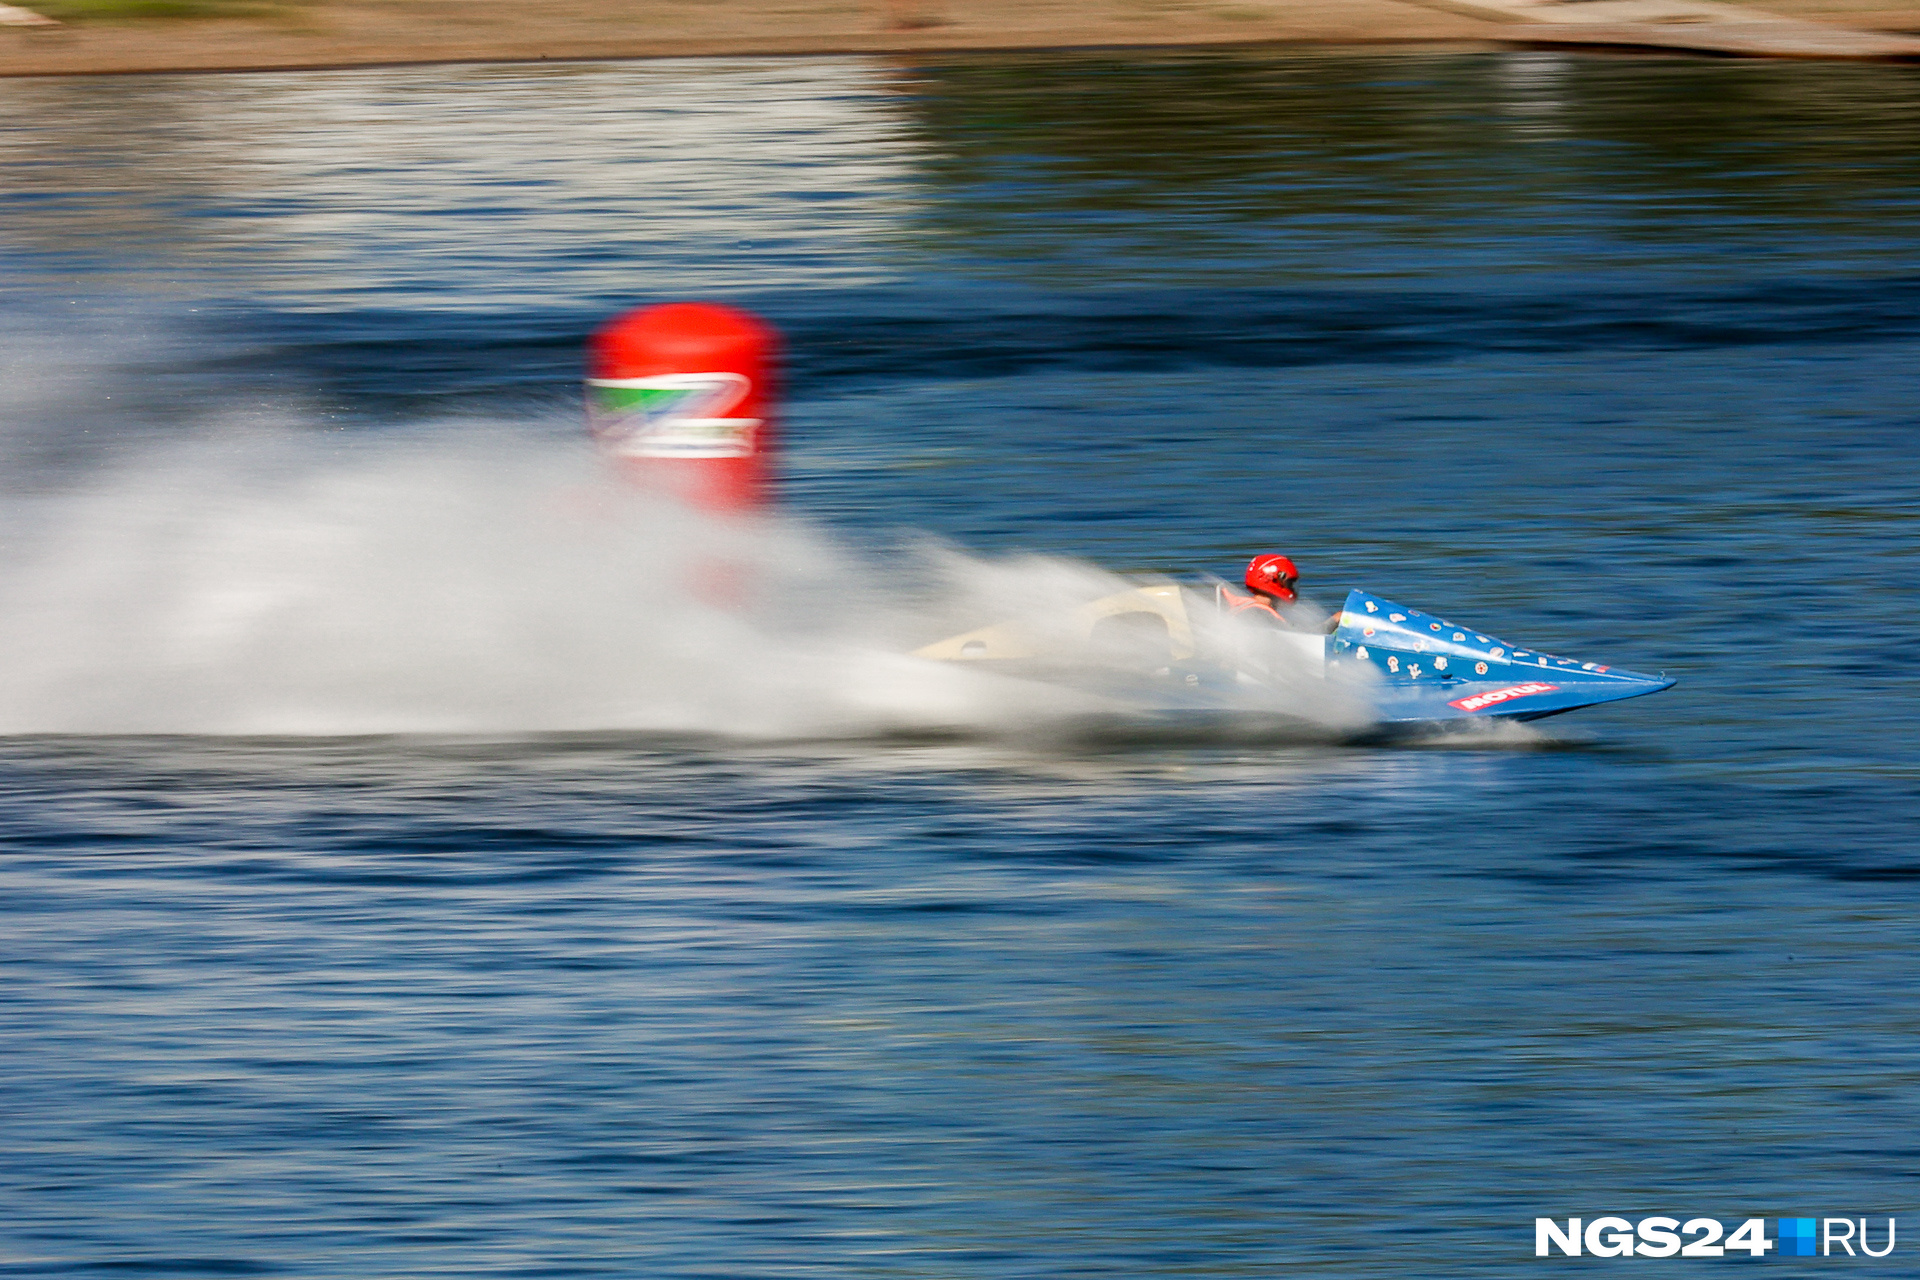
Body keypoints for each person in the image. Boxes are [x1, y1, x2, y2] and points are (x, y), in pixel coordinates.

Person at [1220, 553, 1301, 624]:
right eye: (1290, 583)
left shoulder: (1243, 605)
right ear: (1277, 580)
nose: (1292, 588)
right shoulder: (1259, 612)